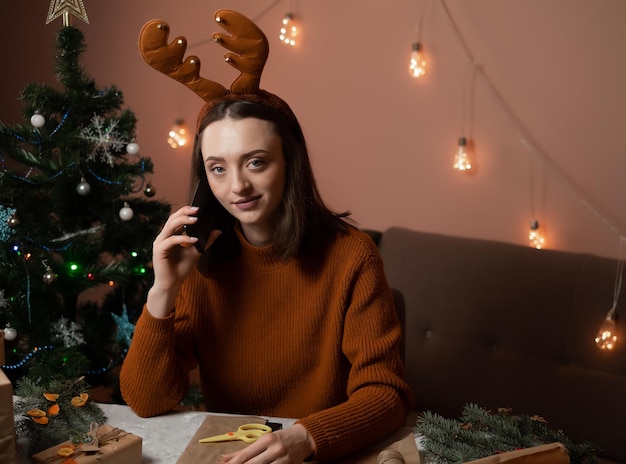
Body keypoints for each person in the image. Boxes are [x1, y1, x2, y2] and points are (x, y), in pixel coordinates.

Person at [121, 10, 414, 463]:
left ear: (290, 163)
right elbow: (148, 400)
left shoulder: (352, 256)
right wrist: (164, 290)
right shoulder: (200, 261)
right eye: (218, 168)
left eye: (255, 162)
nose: (236, 186)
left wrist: (307, 438)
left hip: (318, 454)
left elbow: (386, 394)